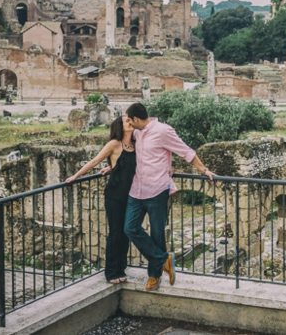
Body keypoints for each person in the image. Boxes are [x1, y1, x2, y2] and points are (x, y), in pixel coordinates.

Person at [124, 102, 215, 291]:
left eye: (131, 122)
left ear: (137, 119)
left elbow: (185, 151)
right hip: (136, 189)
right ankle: (163, 259)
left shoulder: (163, 131)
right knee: (130, 228)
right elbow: (124, 149)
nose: (130, 125)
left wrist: (204, 169)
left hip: (157, 190)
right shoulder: (136, 132)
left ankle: (154, 276)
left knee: (157, 234)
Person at [65, 115, 135, 284]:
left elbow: (127, 166)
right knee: (116, 233)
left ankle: (121, 267)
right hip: (115, 195)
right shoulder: (114, 144)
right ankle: (111, 272)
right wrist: (75, 176)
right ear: (120, 126)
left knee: (126, 232)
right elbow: (95, 160)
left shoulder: (135, 144)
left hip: (131, 195)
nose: (130, 122)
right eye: (127, 120)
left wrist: (111, 168)